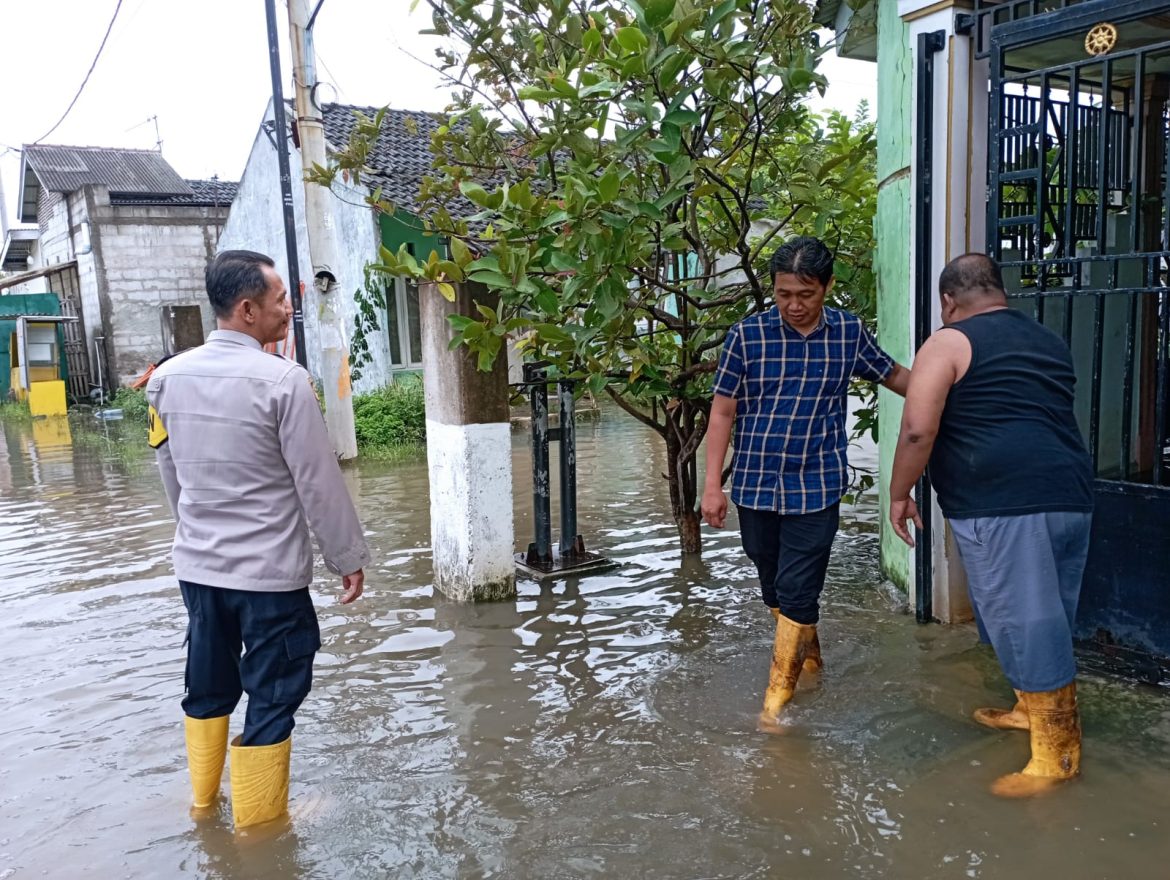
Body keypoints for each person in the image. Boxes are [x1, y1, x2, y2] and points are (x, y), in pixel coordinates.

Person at [147, 250, 371, 827]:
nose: (288, 309)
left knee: (207, 686)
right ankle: (259, 830)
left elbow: (170, 475)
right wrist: (346, 558)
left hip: (198, 572)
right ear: (247, 309)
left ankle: (204, 807)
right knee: (274, 695)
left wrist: (196, 534)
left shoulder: (165, 379)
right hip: (269, 580)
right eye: (280, 299)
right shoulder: (285, 381)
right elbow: (318, 481)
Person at [888, 253, 1093, 798]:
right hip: (1069, 494)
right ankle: (1030, 710)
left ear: (948, 301)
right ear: (998, 291)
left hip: (1005, 503)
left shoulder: (949, 342)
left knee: (1025, 621)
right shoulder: (1046, 341)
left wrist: (899, 493)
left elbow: (917, 429)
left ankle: (1057, 755)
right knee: (1045, 614)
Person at [702, 236, 910, 730]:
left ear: (827, 287)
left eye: (806, 294)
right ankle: (810, 658)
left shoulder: (848, 332)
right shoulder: (747, 336)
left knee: (797, 588)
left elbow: (895, 376)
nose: (794, 305)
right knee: (772, 582)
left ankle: (776, 700)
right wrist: (712, 485)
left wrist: (951, 389)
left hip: (817, 483)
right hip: (755, 482)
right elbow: (723, 410)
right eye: (784, 294)